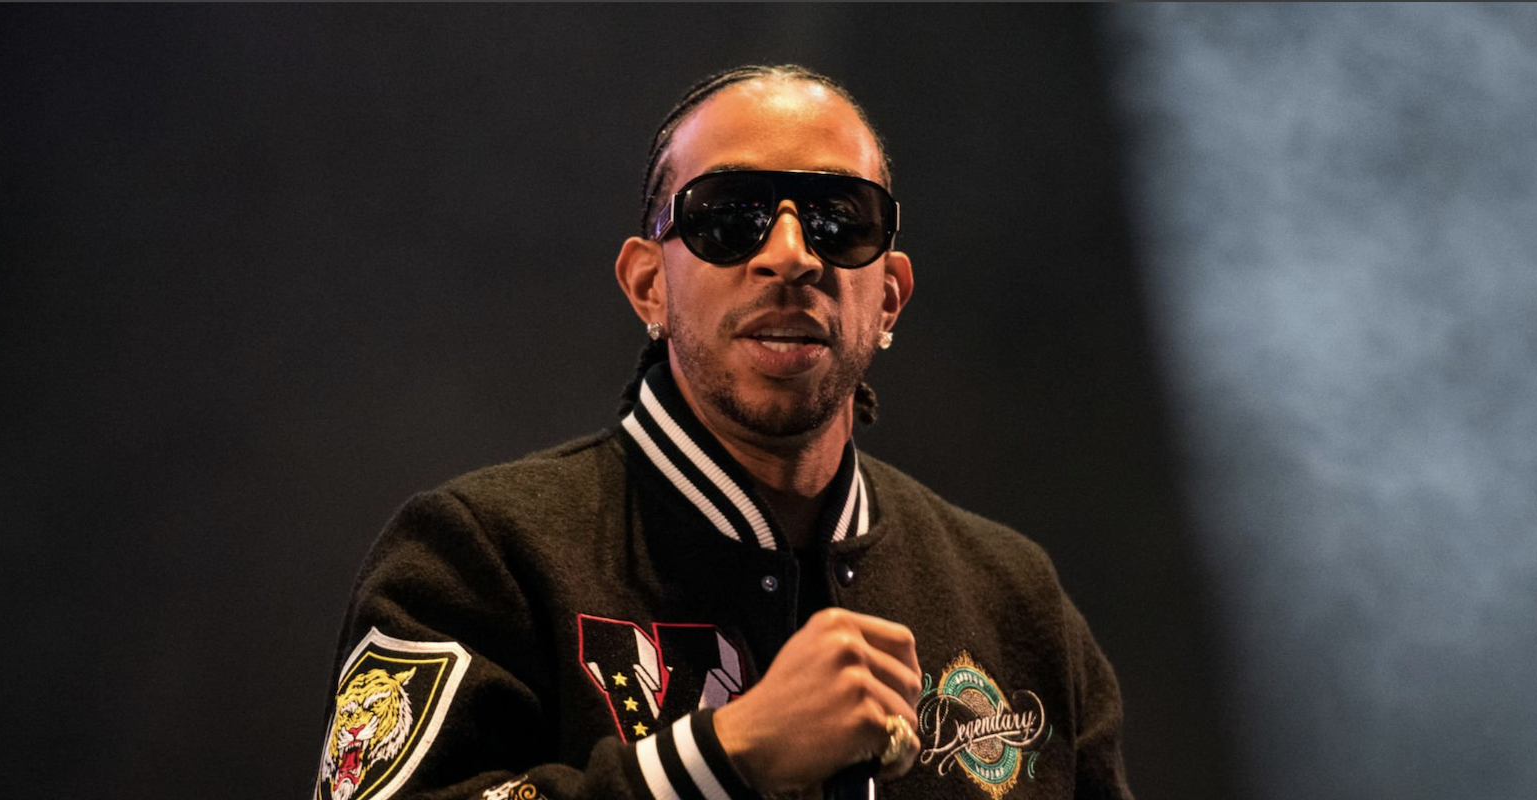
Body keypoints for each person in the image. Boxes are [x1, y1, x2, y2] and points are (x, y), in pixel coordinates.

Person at [312, 64, 1133, 800]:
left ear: (889, 297)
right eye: (728, 217)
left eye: (839, 219)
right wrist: (718, 759)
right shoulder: (480, 554)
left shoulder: (1017, 599)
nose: (789, 256)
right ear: (647, 286)